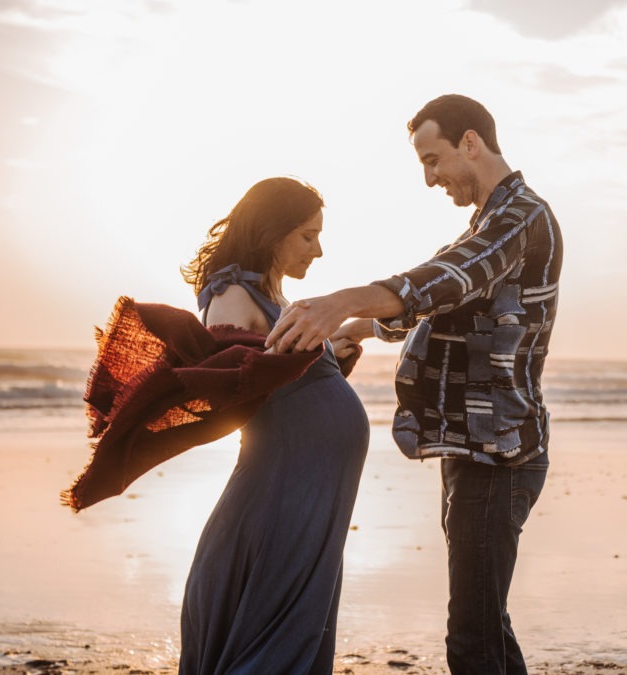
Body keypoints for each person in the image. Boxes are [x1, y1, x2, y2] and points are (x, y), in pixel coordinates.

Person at [266, 94, 563, 674]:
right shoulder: (486, 223)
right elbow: (436, 301)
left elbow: (444, 280)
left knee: (473, 639)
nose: (430, 179)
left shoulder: (519, 218)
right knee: (487, 628)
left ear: (471, 143)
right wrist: (360, 325)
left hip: (498, 453)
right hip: (474, 448)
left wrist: (341, 300)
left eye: (434, 159)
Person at [178, 177, 369, 674]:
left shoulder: (270, 295)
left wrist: (328, 360)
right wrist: (301, 366)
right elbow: (229, 390)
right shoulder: (234, 297)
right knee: (275, 621)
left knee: (301, 617)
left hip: (314, 490)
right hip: (285, 491)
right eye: (308, 235)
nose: (319, 249)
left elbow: (278, 383)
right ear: (272, 232)